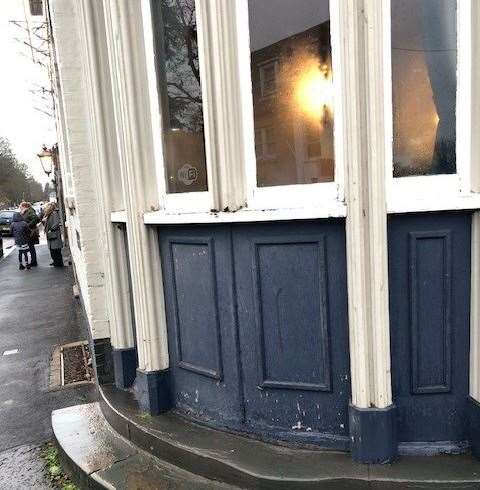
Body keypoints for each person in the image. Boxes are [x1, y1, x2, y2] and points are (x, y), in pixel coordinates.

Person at [43, 202, 64, 267]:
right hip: (51, 235)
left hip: (54, 234)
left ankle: (59, 263)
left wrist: (51, 230)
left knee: (56, 250)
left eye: (46, 207)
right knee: (52, 250)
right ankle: (55, 261)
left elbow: (56, 223)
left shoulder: (54, 214)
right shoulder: (48, 215)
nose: (45, 209)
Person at [19, 202, 40, 267]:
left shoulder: (30, 211)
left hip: (31, 232)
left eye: (21, 207)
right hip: (28, 233)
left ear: (24, 206)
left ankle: (34, 262)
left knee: (31, 247)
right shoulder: (25, 212)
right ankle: (33, 261)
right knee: (30, 248)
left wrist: (28, 225)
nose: (20, 208)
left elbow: (36, 218)